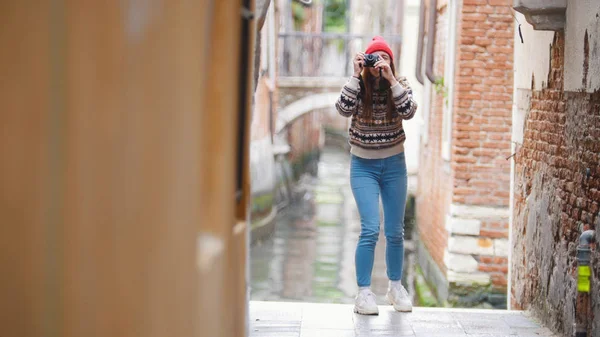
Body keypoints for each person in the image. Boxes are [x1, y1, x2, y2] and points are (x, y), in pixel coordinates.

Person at [335, 36, 417, 315]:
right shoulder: (358, 86)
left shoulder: (400, 84)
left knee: (395, 231)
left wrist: (391, 79)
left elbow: (409, 112)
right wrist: (355, 75)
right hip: (363, 166)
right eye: (373, 59)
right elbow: (342, 109)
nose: (377, 65)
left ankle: (395, 288)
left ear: (391, 62)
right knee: (370, 229)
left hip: (395, 164)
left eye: (383, 59)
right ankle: (363, 294)